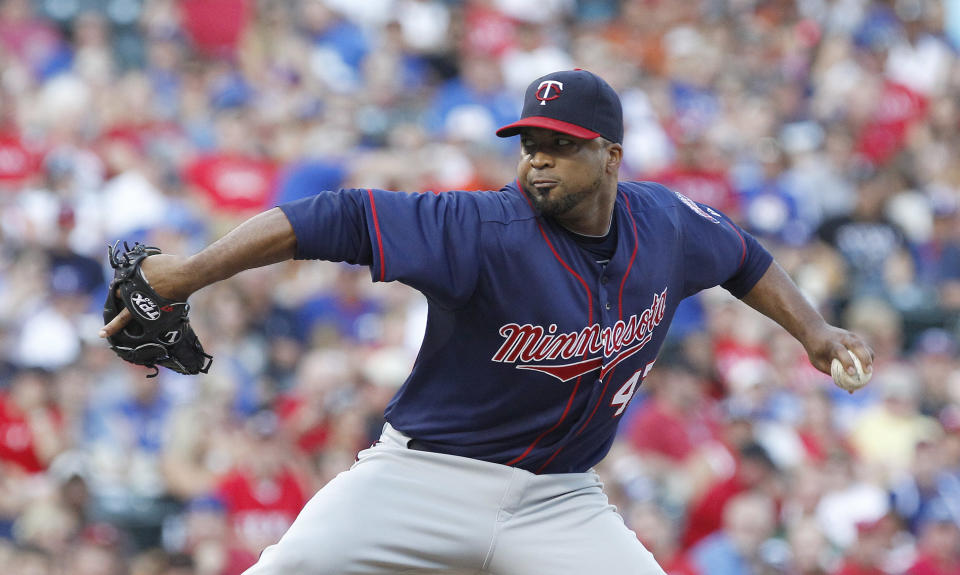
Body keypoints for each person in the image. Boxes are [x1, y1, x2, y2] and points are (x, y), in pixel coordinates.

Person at [101, 69, 874, 575]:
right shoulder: (482, 229)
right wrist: (190, 271)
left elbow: (743, 257)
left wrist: (813, 330)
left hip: (560, 499)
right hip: (422, 477)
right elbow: (329, 217)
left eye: (559, 148)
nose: (536, 161)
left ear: (611, 155)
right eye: (529, 144)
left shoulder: (665, 224)